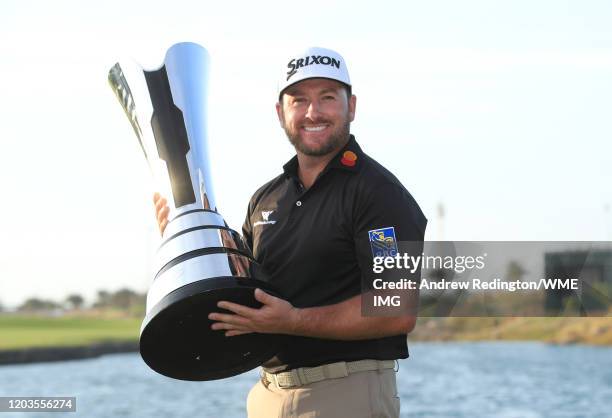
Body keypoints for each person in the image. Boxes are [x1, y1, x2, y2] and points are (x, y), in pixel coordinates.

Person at [153, 46, 427, 418]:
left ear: (352, 107)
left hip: (346, 395)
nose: (313, 112)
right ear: (281, 113)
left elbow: (395, 309)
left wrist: (293, 320)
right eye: (299, 100)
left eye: (327, 97)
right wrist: (184, 232)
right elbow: (243, 291)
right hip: (268, 395)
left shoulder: (379, 195)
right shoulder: (266, 199)